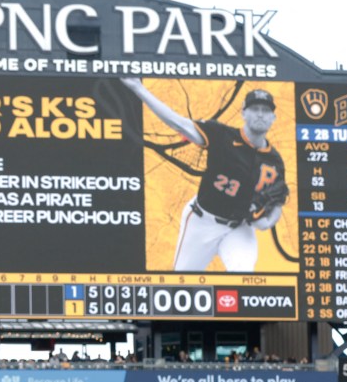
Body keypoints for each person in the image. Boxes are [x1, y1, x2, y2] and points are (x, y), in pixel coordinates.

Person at [121, 78, 289, 271]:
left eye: (266, 110)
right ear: (243, 112)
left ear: (273, 118)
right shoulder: (221, 135)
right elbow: (179, 125)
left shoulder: (275, 161)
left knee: (244, 278)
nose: (260, 114)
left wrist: (269, 221)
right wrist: (138, 89)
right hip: (202, 221)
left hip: (239, 228)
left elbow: (278, 198)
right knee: (182, 285)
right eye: (255, 109)